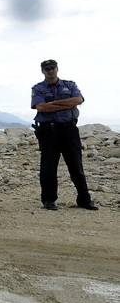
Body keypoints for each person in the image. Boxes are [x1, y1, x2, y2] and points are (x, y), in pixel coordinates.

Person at [30, 59, 97, 211]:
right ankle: (49, 200)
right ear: (43, 71)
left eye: (52, 68)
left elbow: (79, 99)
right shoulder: (38, 88)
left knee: (76, 166)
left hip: (69, 130)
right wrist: (67, 104)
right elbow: (40, 107)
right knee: (48, 168)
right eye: (47, 69)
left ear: (57, 69)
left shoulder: (70, 84)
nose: (50, 71)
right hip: (48, 132)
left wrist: (52, 105)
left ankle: (84, 200)